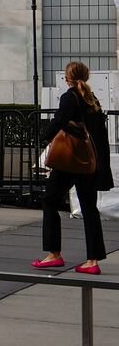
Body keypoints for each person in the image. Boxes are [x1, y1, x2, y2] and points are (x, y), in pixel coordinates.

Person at [33, 61, 112, 274]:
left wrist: (46, 137)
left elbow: (58, 121)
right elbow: (99, 135)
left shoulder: (70, 97)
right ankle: (92, 260)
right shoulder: (92, 99)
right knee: (89, 208)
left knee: (50, 200)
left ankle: (54, 254)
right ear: (86, 76)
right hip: (89, 163)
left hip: (70, 161)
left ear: (67, 77)